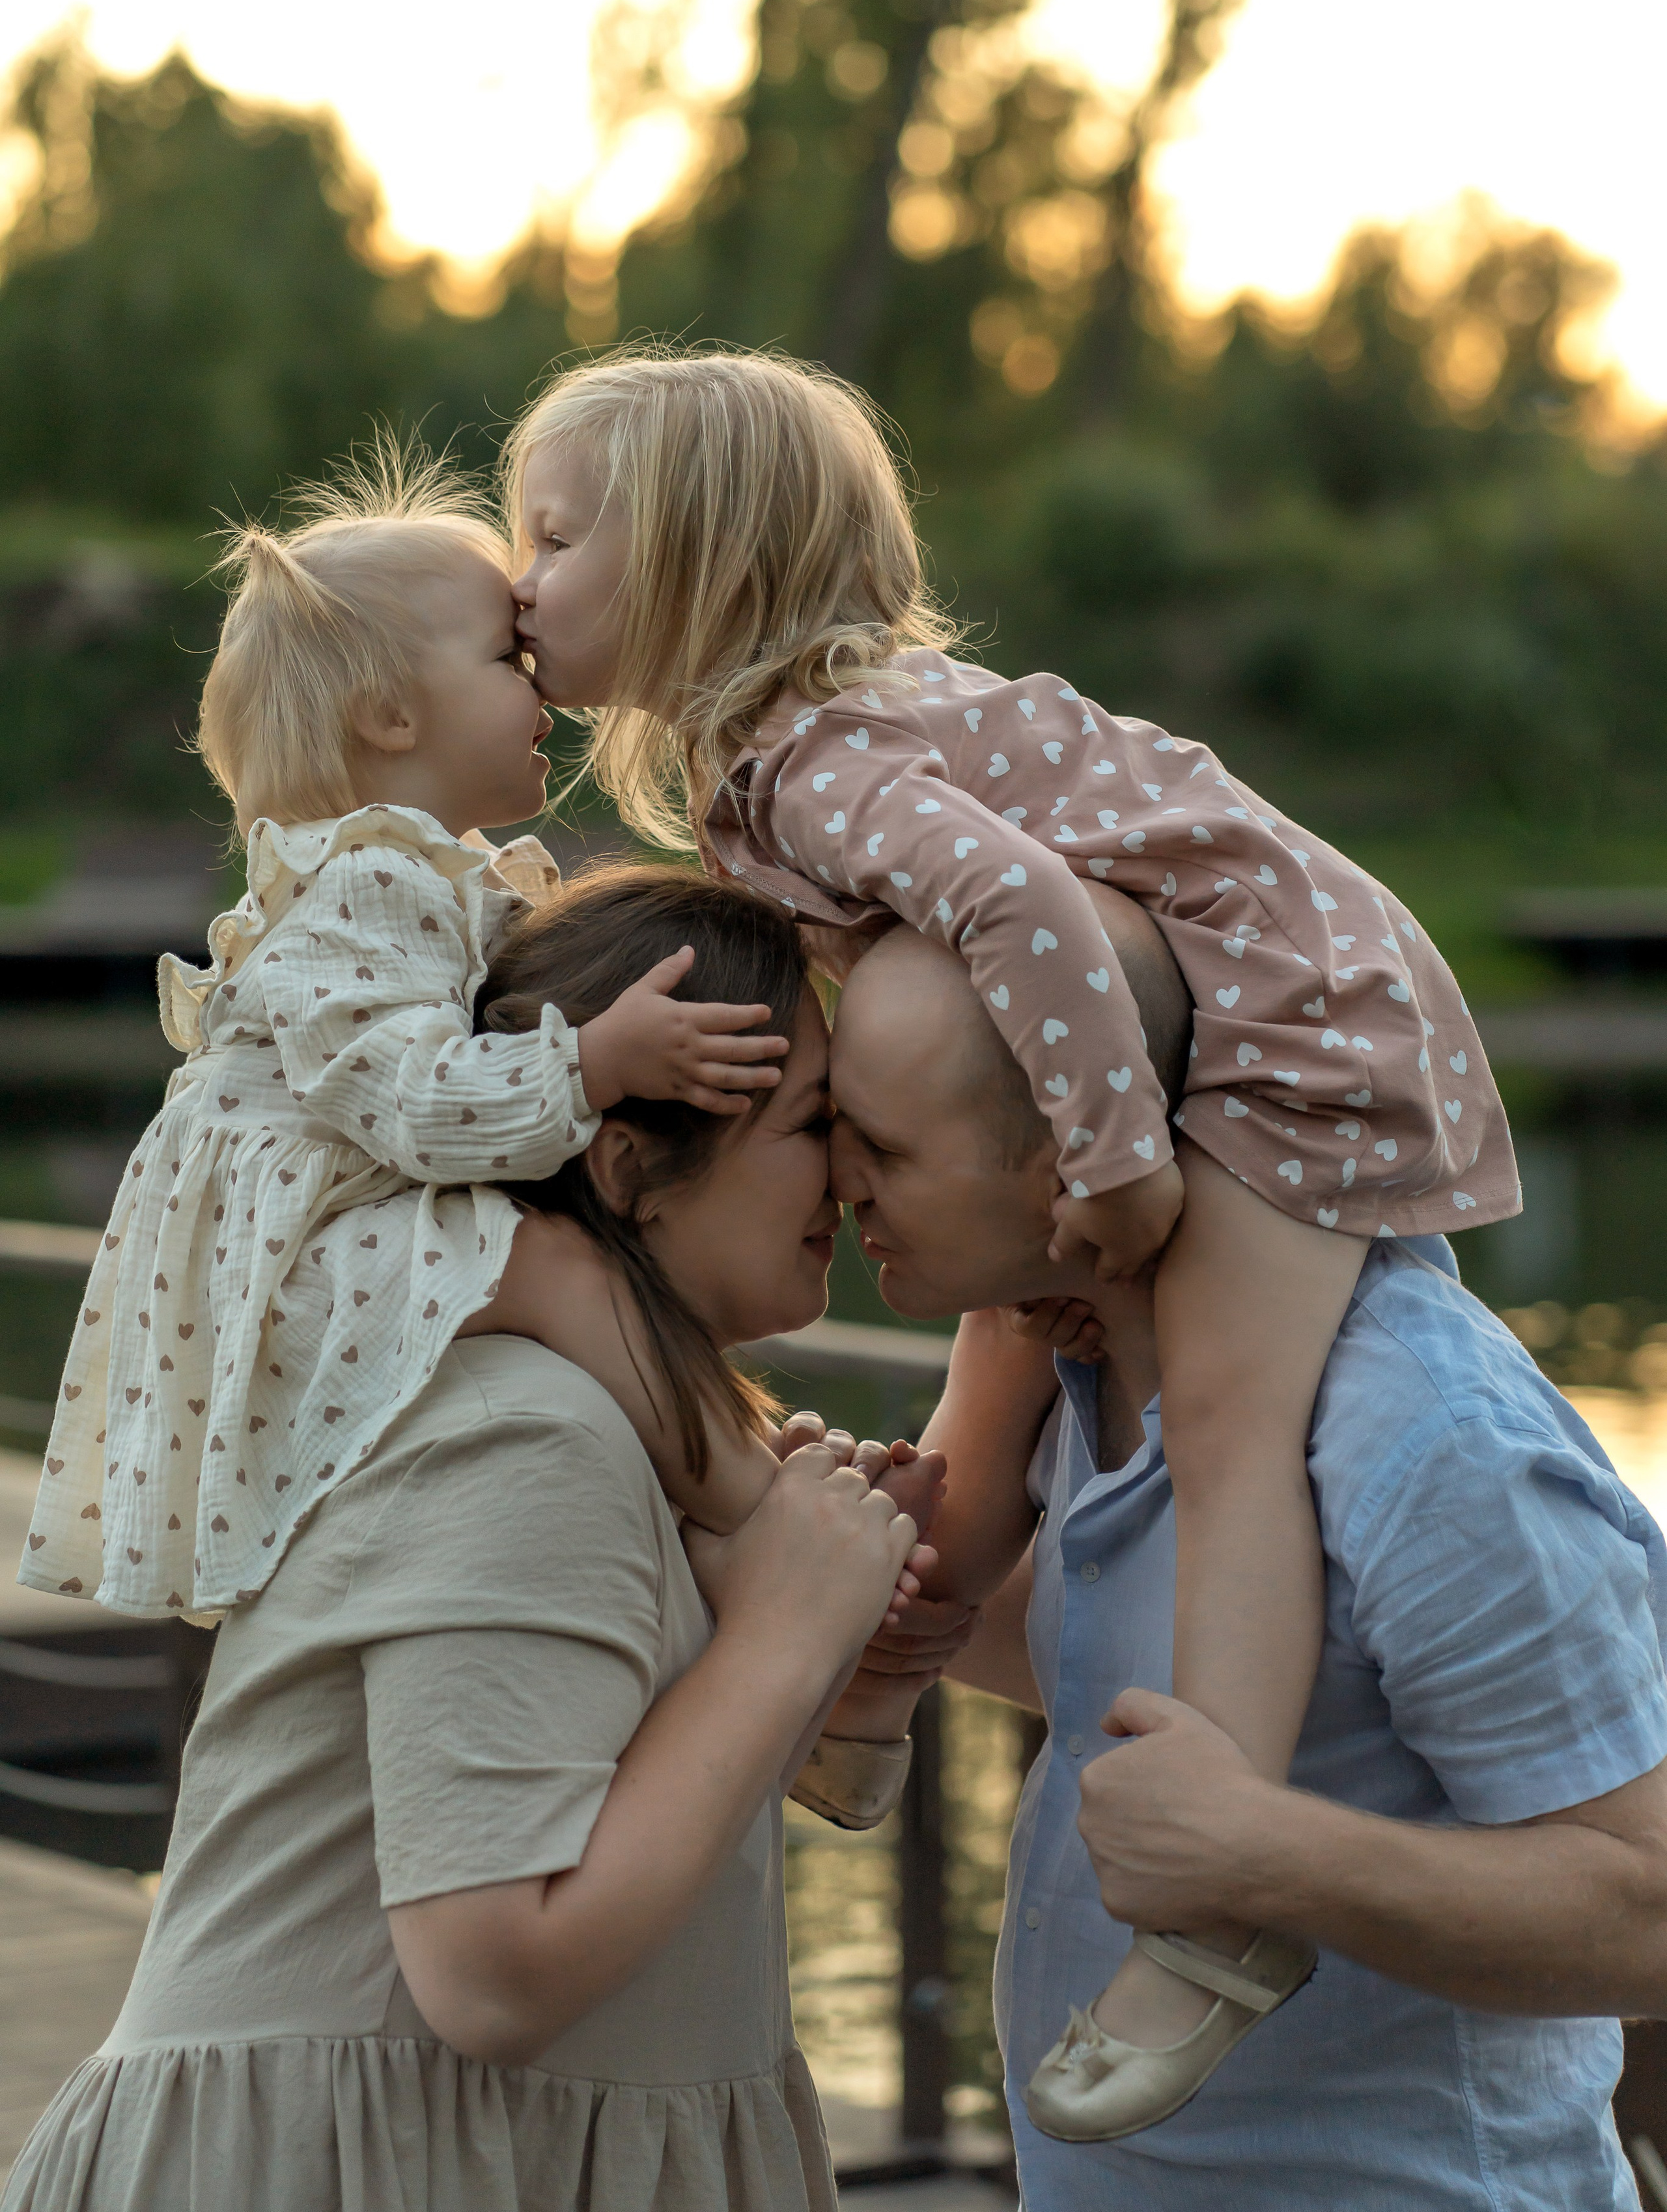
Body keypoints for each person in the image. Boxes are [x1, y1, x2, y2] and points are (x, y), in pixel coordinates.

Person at [501, 340, 1521, 2123]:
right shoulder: (787, 759)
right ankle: (870, 1692)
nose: (525, 584)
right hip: (1192, 1025)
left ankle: (1215, 1904)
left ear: (688, 567)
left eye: (558, 539)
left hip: (1286, 1035)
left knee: (1225, 1426)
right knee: (989, 1395)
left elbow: (1019, 904)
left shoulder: (821, 759)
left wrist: (1121, 1166)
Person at [2, 866, 929, 2212]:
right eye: (809, 1122)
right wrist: (785, 1636)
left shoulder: (614, 1425)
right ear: (630, 1168)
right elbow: (493, 1969)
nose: (847, 1174)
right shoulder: (521, 1429)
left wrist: (857, 1655)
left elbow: (630, 1800)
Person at [823, 891, 1667, 2207]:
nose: (838, 1177)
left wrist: (1265, 1859)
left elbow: (1646, 1909)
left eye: (875, 1142)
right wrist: (827, 1574)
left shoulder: (1425, 1439)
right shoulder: (1066, 1356)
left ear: (1070, 1152)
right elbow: (1104, 1660)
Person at [20, 448, 795, 1629]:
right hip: (302, 1255)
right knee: (564, 1271)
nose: (543, 688)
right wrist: (596, 1061)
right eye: (507, 660)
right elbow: (417, 1105)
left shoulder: (412, 877)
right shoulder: (368, 884)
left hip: (326, 1227)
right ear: (390, 715)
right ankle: (756, 1499)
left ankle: (726, 1473)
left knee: (571, 1276)